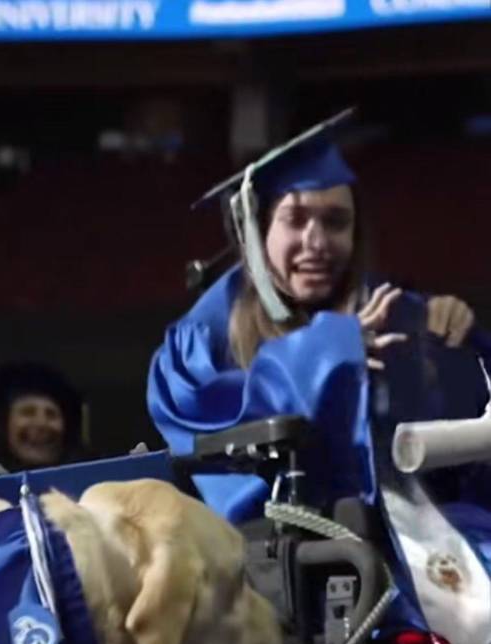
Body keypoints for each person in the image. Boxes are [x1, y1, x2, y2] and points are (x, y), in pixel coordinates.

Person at [147, 111, 485, 523]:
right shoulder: (204, 336)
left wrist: (452, 338)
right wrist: (331, 351)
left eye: (336, 222)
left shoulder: (389, 311)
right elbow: (211, 446)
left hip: (409, 546)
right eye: (296, 219)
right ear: (258, 228)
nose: (317, 242)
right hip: (274, 563)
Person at [0, 361, 86, 474]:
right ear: (5, 425)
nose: (41, 423)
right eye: (28, 412)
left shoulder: (91, 484)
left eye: (51, 414)